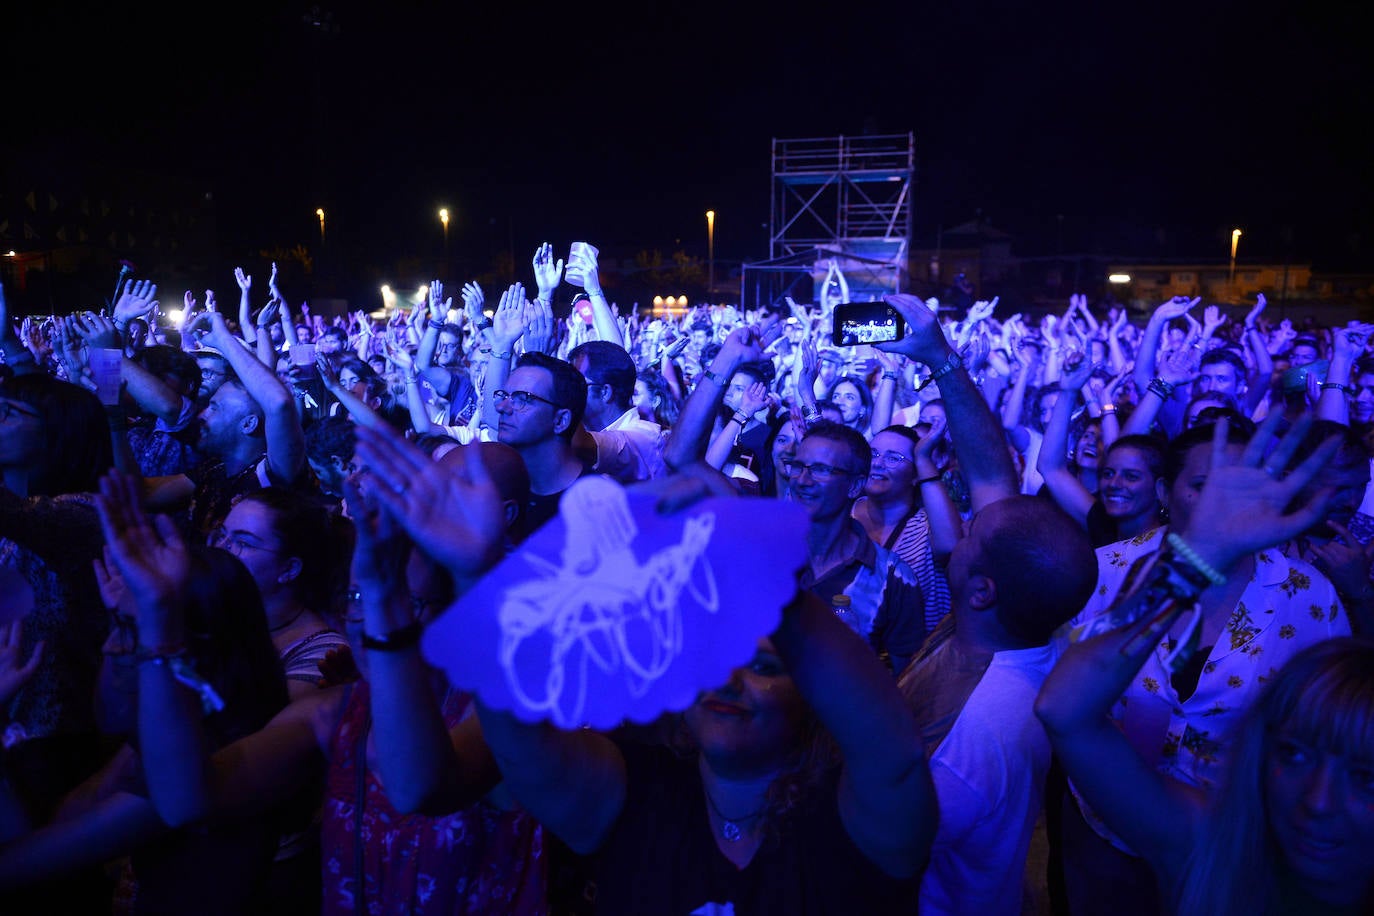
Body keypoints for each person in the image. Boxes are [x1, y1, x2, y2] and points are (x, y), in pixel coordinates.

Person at [1036, 415, 1373, 914]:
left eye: (1241, 489)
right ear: (1168, 493)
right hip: (1103, 820)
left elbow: (1335, 727)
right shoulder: (1107, 571)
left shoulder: (1310, 594)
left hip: (1242, 836)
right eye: (1206, 488)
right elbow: (1061, 699)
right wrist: (1196, 562)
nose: (1227, 507)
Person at [0, 468, 288, 913]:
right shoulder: (153, 739)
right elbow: (48, 830)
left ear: (186, 648)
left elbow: (17, 867)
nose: (112, 647)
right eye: (116, 625)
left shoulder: (201, 752)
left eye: (135, 630)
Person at [785, 421, 930, 675]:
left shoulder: (893, 579)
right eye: (798, 467)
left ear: (854, 486)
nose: (803, 480)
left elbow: (907, 684)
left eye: (820, 470)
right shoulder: (761, 553)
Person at [852, 423, 960, 627]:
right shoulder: (844, 512)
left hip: (911, 655)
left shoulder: (927, 527)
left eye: (893, 458)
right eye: (873, 454)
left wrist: (923, 458)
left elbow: (950, 546)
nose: (878, 463)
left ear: (915, 474)